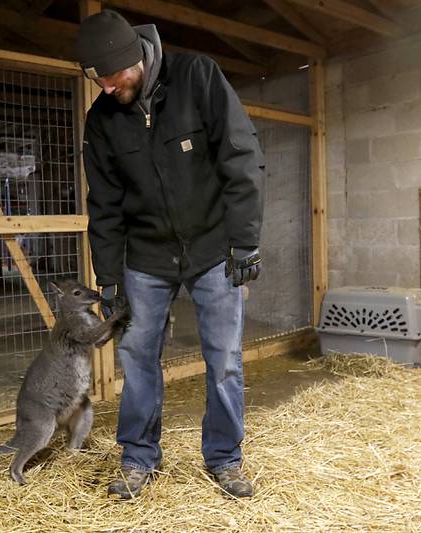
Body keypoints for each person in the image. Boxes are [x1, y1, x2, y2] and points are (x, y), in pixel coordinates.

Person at [75, 9, 264, 499]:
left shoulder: (198, 77)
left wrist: (245, 241)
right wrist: (110, 277)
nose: (107, 88)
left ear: (132, 59)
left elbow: (240, 156)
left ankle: (224, 458)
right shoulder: (102, 120)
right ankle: (138, 457)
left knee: (223, 357)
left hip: (212, 247)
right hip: (146, 256)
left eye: (110, 77)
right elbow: (105, 204)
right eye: (98, 80)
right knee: (137, 355)